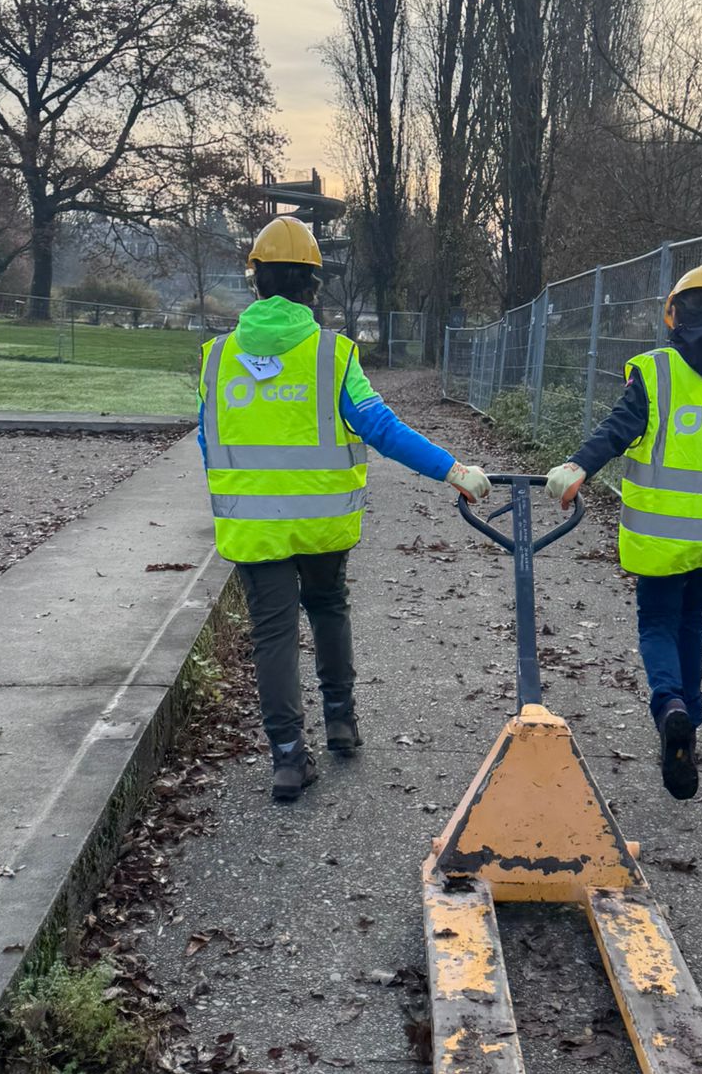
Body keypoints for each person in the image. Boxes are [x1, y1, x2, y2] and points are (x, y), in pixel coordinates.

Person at [199, 216, 489, 802]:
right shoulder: (331, 354)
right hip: (324, 521)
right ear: (314, 284)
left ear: (255, 281)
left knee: (272, 631)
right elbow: (379, 426)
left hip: (252, 524)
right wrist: (452, 470)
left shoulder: (215, 358)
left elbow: (208, 441)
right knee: (329, 607)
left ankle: (286, 757)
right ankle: (341, 723)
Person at [544, 265, 702, 801]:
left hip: (656, 537)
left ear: (673, 314)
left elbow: (619, 427)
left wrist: (578, 466)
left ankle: (670, 707)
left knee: (656, 622)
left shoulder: (657, 372)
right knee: (691, 623)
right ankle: (688, 729)